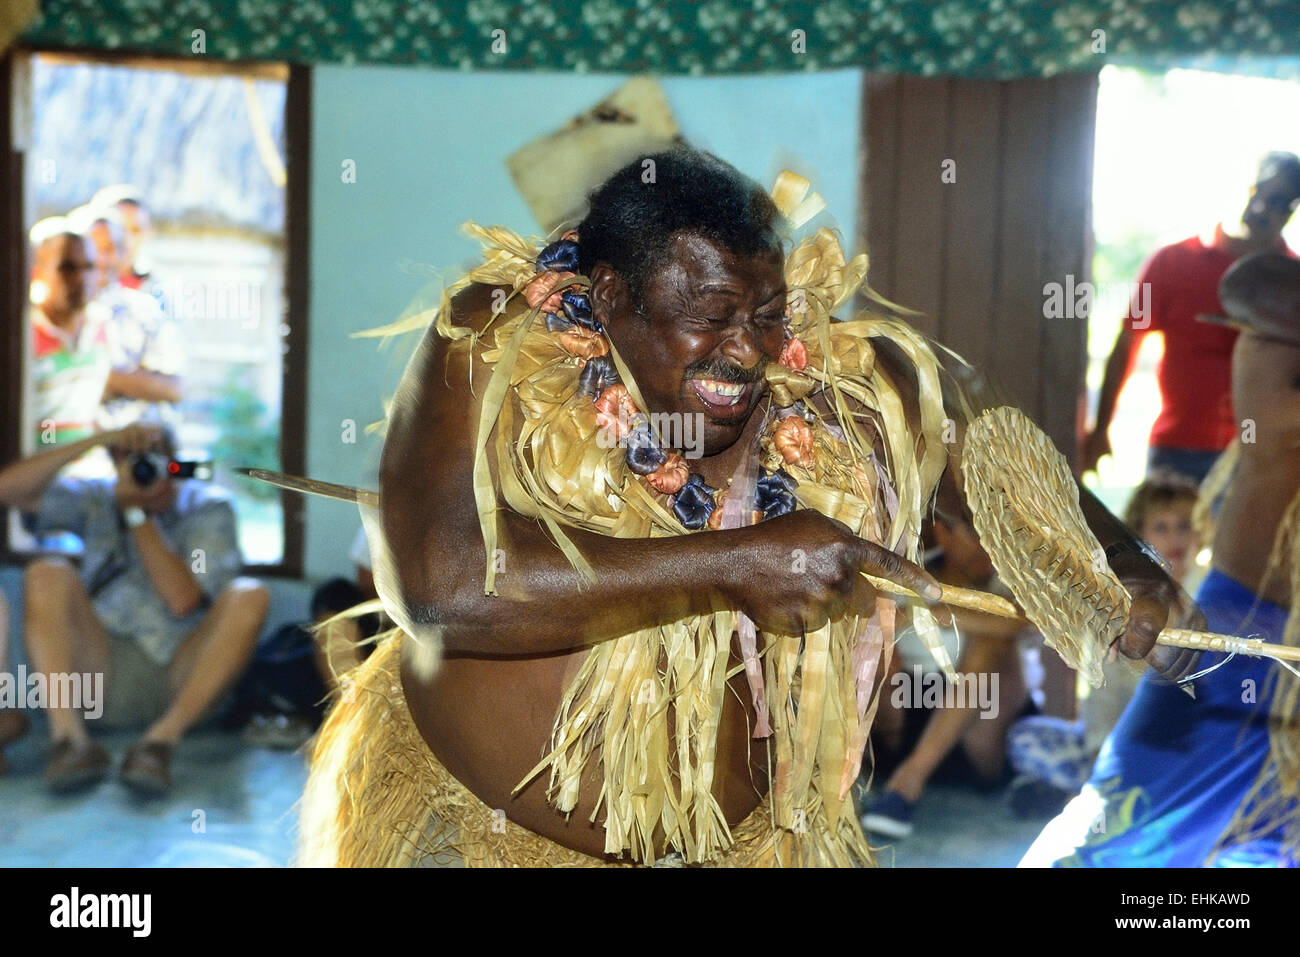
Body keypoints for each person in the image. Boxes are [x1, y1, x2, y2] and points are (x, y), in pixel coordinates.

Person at [297, 149, 1187, 868]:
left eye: (764, 313)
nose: (747, 351)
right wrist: (734, 564)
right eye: (710, 315)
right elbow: (446, 591)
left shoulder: (831, 380)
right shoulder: (493, 338)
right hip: (487, 838)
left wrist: (1119, 563)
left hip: (753, 847)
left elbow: (988, 458)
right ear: (609, 296)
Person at [1023, 251, 1300, 866]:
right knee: (1112, 842)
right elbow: (1249, 285)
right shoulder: (1279, 319)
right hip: (1239, 633)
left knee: (1267, 845)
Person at [0, 424, 269, 795]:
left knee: (250, 594)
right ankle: (71, 742)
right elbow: (8, 490)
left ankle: (158, 744)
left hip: (181, 673)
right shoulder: (97, 498)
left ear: (173, 460)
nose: (143, 465)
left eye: (153, 453)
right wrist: (99, 440)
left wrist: (136, 516)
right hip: (102, 671)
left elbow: (183, 601)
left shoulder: (207, 506)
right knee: (47, 571)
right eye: (130, 456)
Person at [1081, 152, 1300, 484]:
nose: (1264, 209)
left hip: (1258, 457)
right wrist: (1101, 429)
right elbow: (1128, 342)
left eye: (1282, 203)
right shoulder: (1172, 260)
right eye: (1262, 194)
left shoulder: (1293, 280)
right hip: (1177, 450)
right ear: (1245, 187)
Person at [1005, 473, 1200, 813]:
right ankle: (1104, 790)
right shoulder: (1120, 596)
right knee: (1025, 738)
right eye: (1162, 527)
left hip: (1184, 744)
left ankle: (1092, 798)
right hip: (1114, 741)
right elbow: (1102, 692)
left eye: (1184, 526)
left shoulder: (1210, 592)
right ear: (1139, 534)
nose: (1175, 538)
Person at [862, 507, 1036, 839]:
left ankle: (909, 781)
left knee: (991, 645)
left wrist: (935, 614)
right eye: (976, 534)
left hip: (985, 731)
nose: (987, 548)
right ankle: (880, 774)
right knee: (880, 647)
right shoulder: (910, 572)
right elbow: (886, 619)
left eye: (995, 537)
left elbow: (1020, 622)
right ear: (943, 532)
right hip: (904, 714)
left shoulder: (1010, 582)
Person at [68, 203, 183, 432]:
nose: (100, 259)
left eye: (110, 248)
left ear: (122, 253)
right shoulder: (55, 314)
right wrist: (135, 381)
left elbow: (173, 389)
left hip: (134, 453)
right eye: (92, 248)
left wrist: (98, 375)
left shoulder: (145, 311)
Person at [26, 218, 113, 450]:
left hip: (90, 469)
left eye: (89, 267)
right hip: (36, 473)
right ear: (38, 272)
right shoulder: (24, 335)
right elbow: (46, 433)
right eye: (67, 267)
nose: (81, 278)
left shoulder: (102, 326)